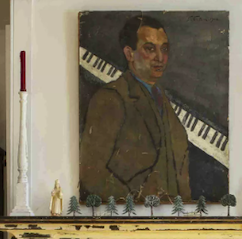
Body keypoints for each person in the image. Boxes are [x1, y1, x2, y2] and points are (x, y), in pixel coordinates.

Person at [79, 14, 190, 201]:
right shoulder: (110, 99)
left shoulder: (161, 98)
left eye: (164, 49)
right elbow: (90, 172)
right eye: (150, 49)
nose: (160, 57)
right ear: (129, 54)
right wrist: (136, 203)